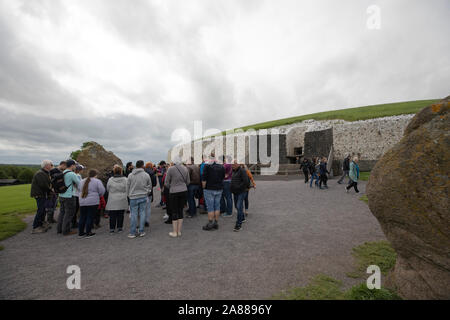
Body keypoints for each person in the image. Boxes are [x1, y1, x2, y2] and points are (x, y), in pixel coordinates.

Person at [164, 157, 189, 237]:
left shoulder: (170, 169)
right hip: (183, 190)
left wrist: (172, 186)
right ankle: (179, 231)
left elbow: (166, 182)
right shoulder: (185, 169)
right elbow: (188, 181)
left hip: (174, 191)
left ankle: (175, 232)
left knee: (174, 211)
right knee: (180, 210)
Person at [127, 160, 152, 238]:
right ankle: (141, 231)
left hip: (133, 197)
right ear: (142, 166)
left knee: (134, 214)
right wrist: (147, 192)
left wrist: (129, 195)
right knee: (142, 213)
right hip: (143, 196)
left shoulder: (130, 175)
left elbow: (127, 186)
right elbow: (149, 186)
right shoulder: (146, 175)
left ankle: (132, 232)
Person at [78, 169, 105, 238]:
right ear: (96, 175)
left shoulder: (81, 181)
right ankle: (88, 232)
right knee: (90, 217)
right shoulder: (97, 181)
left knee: (82, 217)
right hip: (93, 201)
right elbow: (102, 191)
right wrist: (97, 195)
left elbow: (79, 189)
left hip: (82, 201)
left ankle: (80, 233)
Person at [202, 153, 225, 231]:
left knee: (210, 207)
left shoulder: (207, 166)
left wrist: (204, 187)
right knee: (217, 206)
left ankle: (210, 223)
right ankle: (216, 223)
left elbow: (204, 178)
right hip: (219, 188)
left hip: (209, 188)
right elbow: (223, 177)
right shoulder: (222, 167)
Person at [57, 159, 81, 236]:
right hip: (69, 196)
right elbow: (79, 184)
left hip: (61, 195)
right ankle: (66, 231)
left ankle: (59, 229)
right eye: (75, 165)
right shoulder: (72, 174)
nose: (75, 167)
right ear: (72, 166)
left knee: (62, 212)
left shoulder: (63, 172)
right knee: (69, 213)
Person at [30, 160, 53, 234]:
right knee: (40, 210)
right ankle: (35, 227)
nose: (51, 166)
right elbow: (43, 185)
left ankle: (41, 224)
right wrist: (51, 190)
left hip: (42, 194)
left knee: (43, 210)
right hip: (39, 194)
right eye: (50, 165)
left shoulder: (44, 173)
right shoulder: (40, 173)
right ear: (46, 166)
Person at [106, 166, 128, 233]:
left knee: (112, 214)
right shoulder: (125, 179)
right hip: (122, 197)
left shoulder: (110, 179)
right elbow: (127, 189)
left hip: (112, 198)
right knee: (120, 214)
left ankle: (112, 228)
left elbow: (108, 189)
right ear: (121, 171)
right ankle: (119, 228)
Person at [231, 160, 250, 232]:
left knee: (239, 206)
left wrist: (238, 187)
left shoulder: (242, 171)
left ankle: (238, 225)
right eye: (232, 164)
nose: (232, 165)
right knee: (236, 206)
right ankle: (242, 218)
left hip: (241, 192)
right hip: (235, 192)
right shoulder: (234, 171)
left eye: (233, 164)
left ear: (238, 164)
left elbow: (246, 181)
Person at [144, 162, 157, 227]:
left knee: (142, 208)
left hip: (142, 192)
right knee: (148, 207)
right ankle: (147, 221)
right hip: (149, 191)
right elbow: (155, 184)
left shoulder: (143, 173)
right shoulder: (153, 173)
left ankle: (141, 221)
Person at [72, 164, 84, 229]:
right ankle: (73, 223)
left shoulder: (74, 175)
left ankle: (73, 222)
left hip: (74, 193)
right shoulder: (78, 175)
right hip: (77, 194)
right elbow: (79, 185)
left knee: (74, 209)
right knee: (75, 209)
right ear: (79, 170)